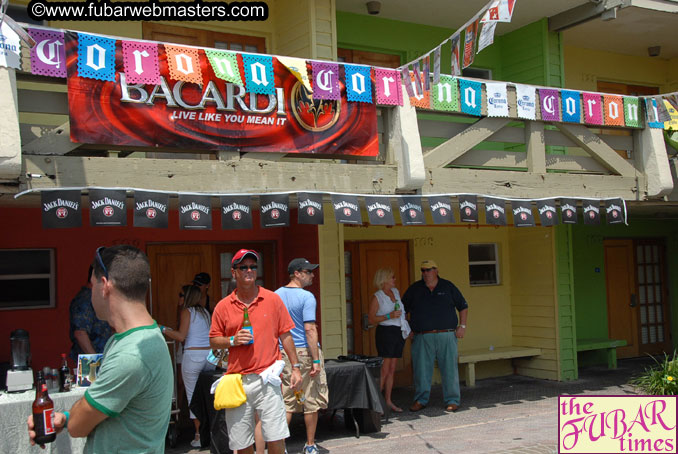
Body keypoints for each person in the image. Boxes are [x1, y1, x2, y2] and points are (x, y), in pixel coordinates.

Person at [28, 245, 173, 453]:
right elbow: (96, 412)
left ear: (104, 285)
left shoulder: (131, 355)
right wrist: (65, 418)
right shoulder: (131, 339)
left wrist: (74, 418)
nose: (91, 291)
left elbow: (79, 426)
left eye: (93, 283)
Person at [209, 249, 302, 454]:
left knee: (276, 438)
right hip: (237, 381)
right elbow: (214, 341)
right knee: (242, 444)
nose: (249, 270)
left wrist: (295, 367)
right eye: (243, 267)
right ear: (234, 272)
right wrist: (232, 340)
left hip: (267, 378)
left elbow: (286, 335)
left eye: (253, 266)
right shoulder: (223, 307)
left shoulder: (272, 299)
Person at [276, 258, 329, 454]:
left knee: (287, 401)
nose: (312, 275)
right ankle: (310, 444)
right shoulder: (307, 297)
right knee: (311, 401)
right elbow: (310, 329)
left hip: (284, 352)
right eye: (308, 271)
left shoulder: (275, 296)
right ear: (296, 273)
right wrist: (316, 359)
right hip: (305, 352)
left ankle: (279, 447)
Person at [402, 260, 468, 413]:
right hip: (422, 336)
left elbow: (463, 306)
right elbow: (402, 309)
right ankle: (420, 400)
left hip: (447, 334)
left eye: (429, 270)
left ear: (436, 271)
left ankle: (452, 400)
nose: (425, 273)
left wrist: (462, 326)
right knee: (421, 370)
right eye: (423, 270)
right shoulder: (414, 289)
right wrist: (407, 329)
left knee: (449, 369)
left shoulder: (448, 286)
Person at [160, 284, 215, 448]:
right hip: (209, 356)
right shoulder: (205, 312)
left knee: (193, 397)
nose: (179, 297)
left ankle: (198, 435)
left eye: (181, 294)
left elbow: (181, 336)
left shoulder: (187, 312)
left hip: (193, 356)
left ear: (187, 297)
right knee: (207, 396)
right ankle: (210, 432)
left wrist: (162, 328)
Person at [368, 268, 406, 413]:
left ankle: (388, 400)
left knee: (392, 368)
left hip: (397, 331)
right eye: (392, 277)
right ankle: (376, 403)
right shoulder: (377, 297)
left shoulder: (395, 292)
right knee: (384, 369)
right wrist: (389, 316)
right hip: (386, 332)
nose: (394, 280)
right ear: (384, 280)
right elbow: (371, 319)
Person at [69, 265, 114, 362]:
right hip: (90, 363)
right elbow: (80, 333)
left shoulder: (98, 298)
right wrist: (96, 361)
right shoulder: (85, 300)